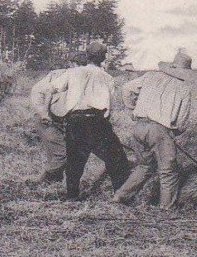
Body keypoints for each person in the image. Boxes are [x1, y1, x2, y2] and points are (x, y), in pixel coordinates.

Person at [114, 50, 197, 209]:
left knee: (145, 165)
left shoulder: (150, 76)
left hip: (139, 127)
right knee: (168, 171)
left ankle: (120, 196)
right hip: (160, 130)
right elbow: (182, 118)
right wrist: (174, 133)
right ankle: (166, 208)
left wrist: (132, 108)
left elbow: (126, 89)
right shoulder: (183, 87)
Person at [44, 41, 130, 200]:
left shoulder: (72, 72)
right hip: (97, 120)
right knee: (116, 159)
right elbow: (109, 106)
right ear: (103, 58)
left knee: (74, 160)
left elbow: (50, 89)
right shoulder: (107, 77)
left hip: (74, 120)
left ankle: (71, 196)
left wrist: (48, 112)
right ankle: (121, 195)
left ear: (87, 55)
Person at [30, 56, 78, 184]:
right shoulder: (56, 77)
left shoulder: (75, 79)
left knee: (55, 153)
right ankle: (41, 179)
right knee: (62, 155)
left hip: (59, 121)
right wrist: (44, 114)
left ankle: (53, 181)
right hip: (46, 121)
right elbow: (39, 96)